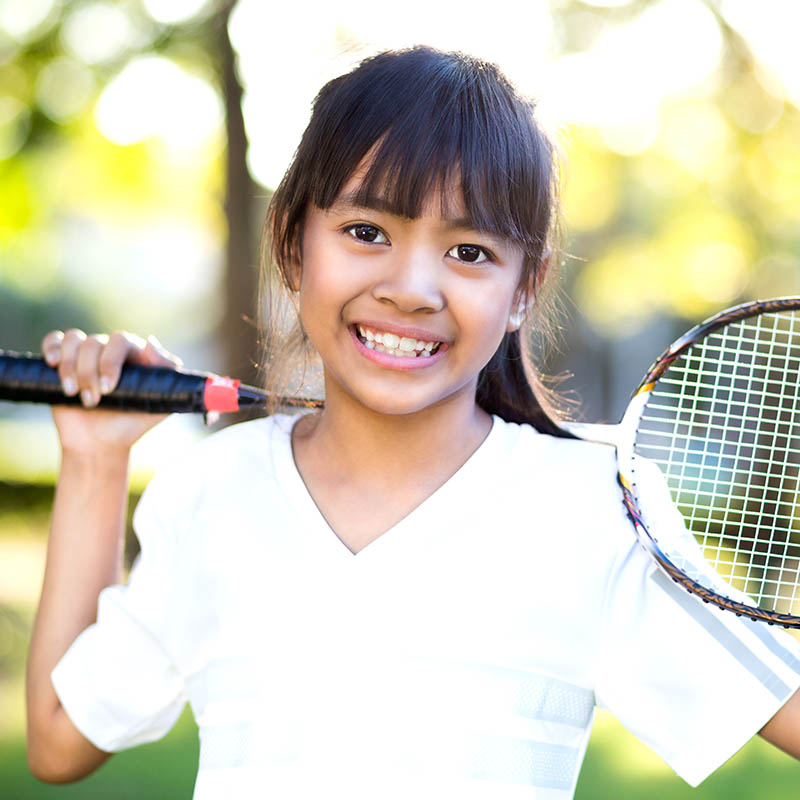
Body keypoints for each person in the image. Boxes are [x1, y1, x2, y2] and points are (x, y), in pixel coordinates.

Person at [25, 46, 800, 799]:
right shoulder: (211, 493)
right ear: (295, 245)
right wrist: (94, 459)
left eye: (468, 250)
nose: (412, 288)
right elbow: (59, 738)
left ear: (523, 290)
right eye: (367, 233)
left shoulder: (597, 509)